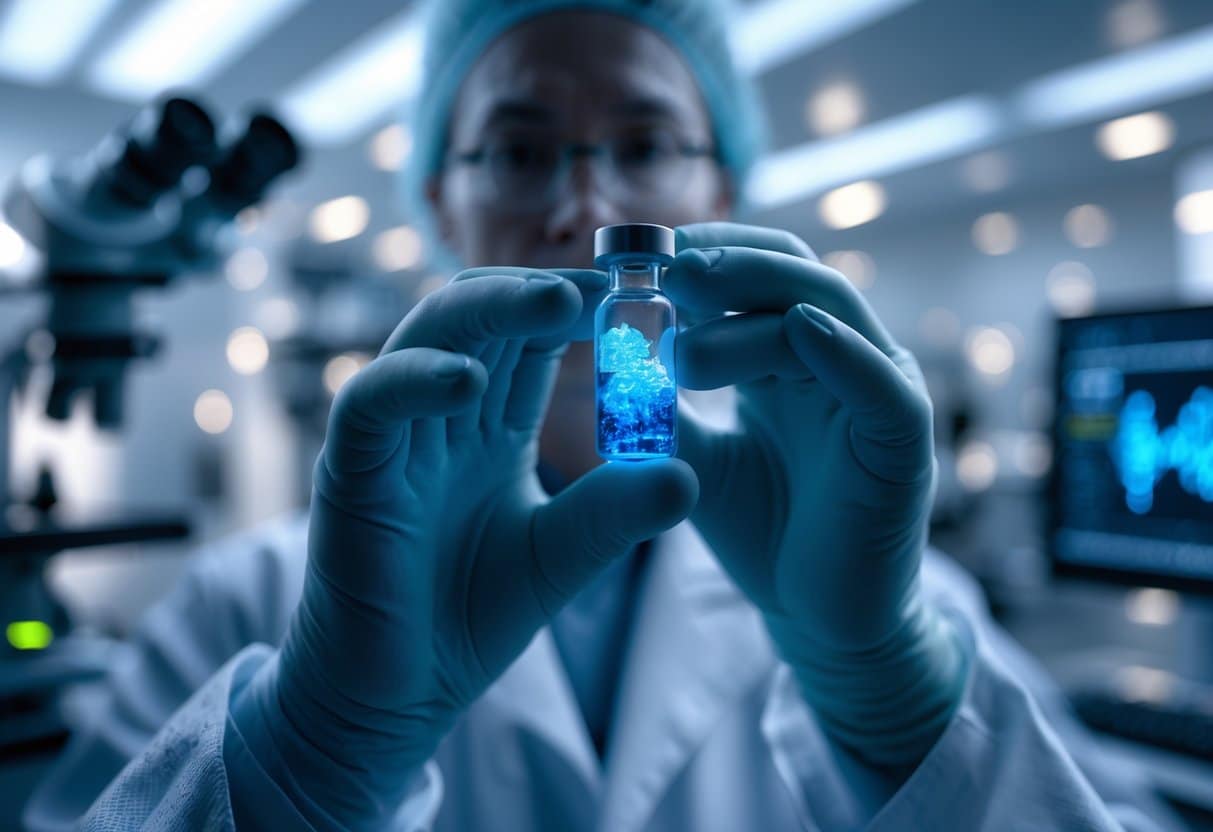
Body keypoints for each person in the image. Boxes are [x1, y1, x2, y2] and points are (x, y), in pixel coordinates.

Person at [23, 1, 1184, 830]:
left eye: (642, 144)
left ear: (720, 190)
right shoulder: (259, 606)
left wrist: (891, 699)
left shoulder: (908, 611)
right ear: (440, 198)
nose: (585, 208)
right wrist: (308, 760)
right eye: (520, 151)